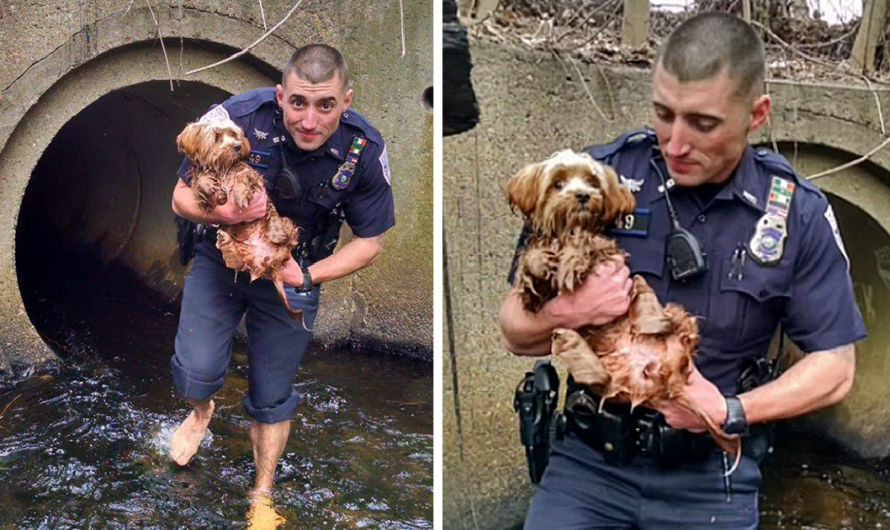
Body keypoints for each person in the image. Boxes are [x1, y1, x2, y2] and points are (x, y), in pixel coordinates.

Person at [499, 12, 866, 530]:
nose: (675, 143)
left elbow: (835, 369)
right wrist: (570, 311)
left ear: (756, 114)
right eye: (663, 114)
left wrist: (730, 411)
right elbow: (515, 330)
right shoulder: (600, 178)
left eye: (703, 123)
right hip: (588, 465)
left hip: (710, 478)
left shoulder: (794, 213)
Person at [168, 44, 395, 497]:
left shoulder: (363, 149)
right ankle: (201, 411)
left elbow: (370, 243)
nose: (309, 121)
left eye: (325, 105)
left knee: (271, 397)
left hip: (294, 267)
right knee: (195, 370)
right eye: (298, 103)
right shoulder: (236, 118)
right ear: (280, 95)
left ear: (345, 101)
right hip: (223, 257)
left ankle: (263, 490)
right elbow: (179, 197)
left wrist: (306, 277)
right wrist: (227, 216)